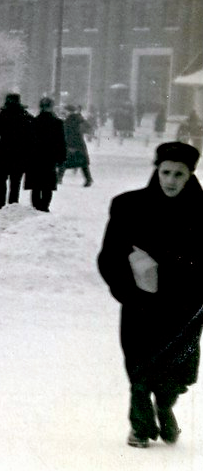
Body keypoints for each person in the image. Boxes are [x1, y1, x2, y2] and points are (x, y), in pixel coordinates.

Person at [97, 141, 203, 449]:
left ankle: (165, 405)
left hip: (186, 306)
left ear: (190, 175)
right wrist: (128, 293)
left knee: (179, 371)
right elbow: (110, 257)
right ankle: (140, 426)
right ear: (156, 170)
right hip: (141, 304)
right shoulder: (129, 206)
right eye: (165, 172)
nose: (170, 180)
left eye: (178, 175)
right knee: (140, 366)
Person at [0, 92, 31, 210]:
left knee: (1, 180)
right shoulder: (25, 116)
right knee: (15, 181)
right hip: (19, 153)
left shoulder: (1, 116)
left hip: (3, 152)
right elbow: (31, 137)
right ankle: (13, 204)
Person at [25, 97, 66, 212]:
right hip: (50, 157)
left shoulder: (33, 122)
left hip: (35, 157)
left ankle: (36, 205)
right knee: (47, 184)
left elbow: (28, 141)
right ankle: (44, 206)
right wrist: (61, 158)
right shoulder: (57, 123)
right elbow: (61, 142)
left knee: (36, 184)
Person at [61, 105, 94, 187]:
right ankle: (88, 179)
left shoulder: (69, 120)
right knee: (83, 163)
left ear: (69, 111)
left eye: (65, 111)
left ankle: (58, 179)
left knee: (64, 161)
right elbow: (88, 127)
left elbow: (66, 131)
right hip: (79, 143)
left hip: (71, 143)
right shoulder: (79, 118)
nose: (63, 112)